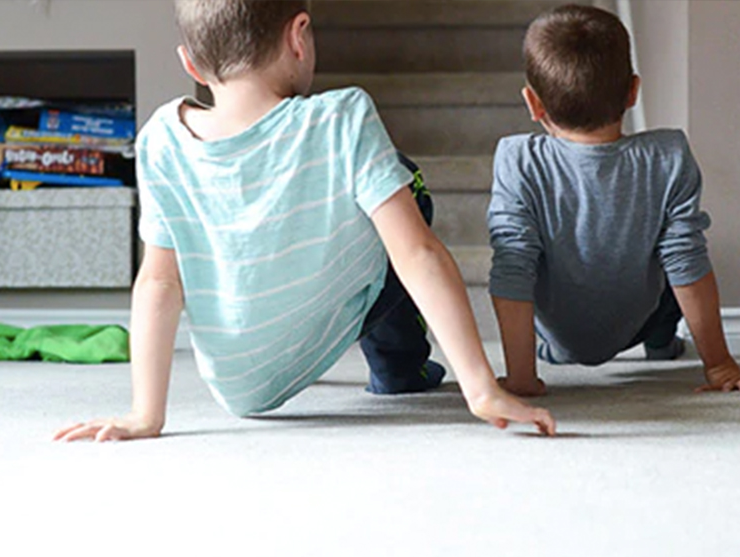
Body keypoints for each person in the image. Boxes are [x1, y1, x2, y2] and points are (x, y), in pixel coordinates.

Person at [55, 0, 554, 442]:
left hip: (238, 385)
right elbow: (416, 254)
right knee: (405, 190)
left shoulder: (161, 139)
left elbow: (159, 283)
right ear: (299, 36)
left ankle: (364, 352)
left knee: (375, 194)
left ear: (191, 63)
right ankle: (398, 366)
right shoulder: (342, 117)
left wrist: (146, 413)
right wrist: (481, 388)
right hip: (308, 338)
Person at [487, 4, 740, 397]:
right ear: (633, 91)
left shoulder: (517, 160)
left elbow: (512, 269)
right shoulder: (668, 155)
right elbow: (686, 263)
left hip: (560, 330)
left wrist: (520, 377)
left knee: (520, 258)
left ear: (533, 104)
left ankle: (552, 353)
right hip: (641, 318)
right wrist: (721, 366)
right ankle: (661, 342)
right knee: (679, 254)